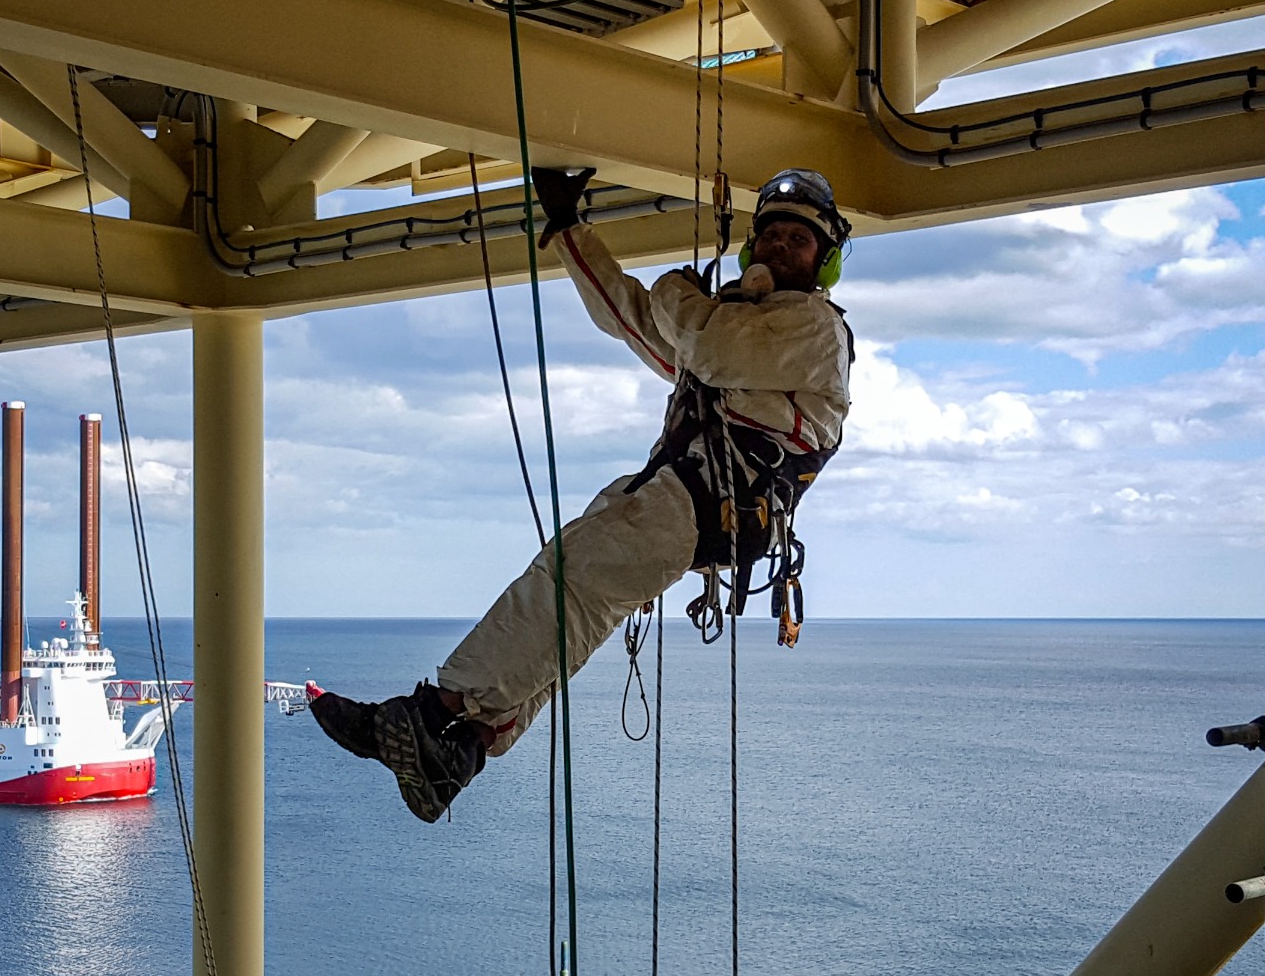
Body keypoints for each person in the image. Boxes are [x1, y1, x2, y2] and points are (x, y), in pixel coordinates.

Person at [309, 167, 855, 822]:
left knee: (568, 584)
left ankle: (435, 715)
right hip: (687, 501)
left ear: (822, 264)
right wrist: (572, 232)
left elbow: (703, 347)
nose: (778, 248)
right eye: (771, 235)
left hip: (703, 504)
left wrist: (680, 287)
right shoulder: (746, 324)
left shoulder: (811, 330)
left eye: (797, 241)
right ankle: (470, 746)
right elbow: (633, 319)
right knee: (572, 598)